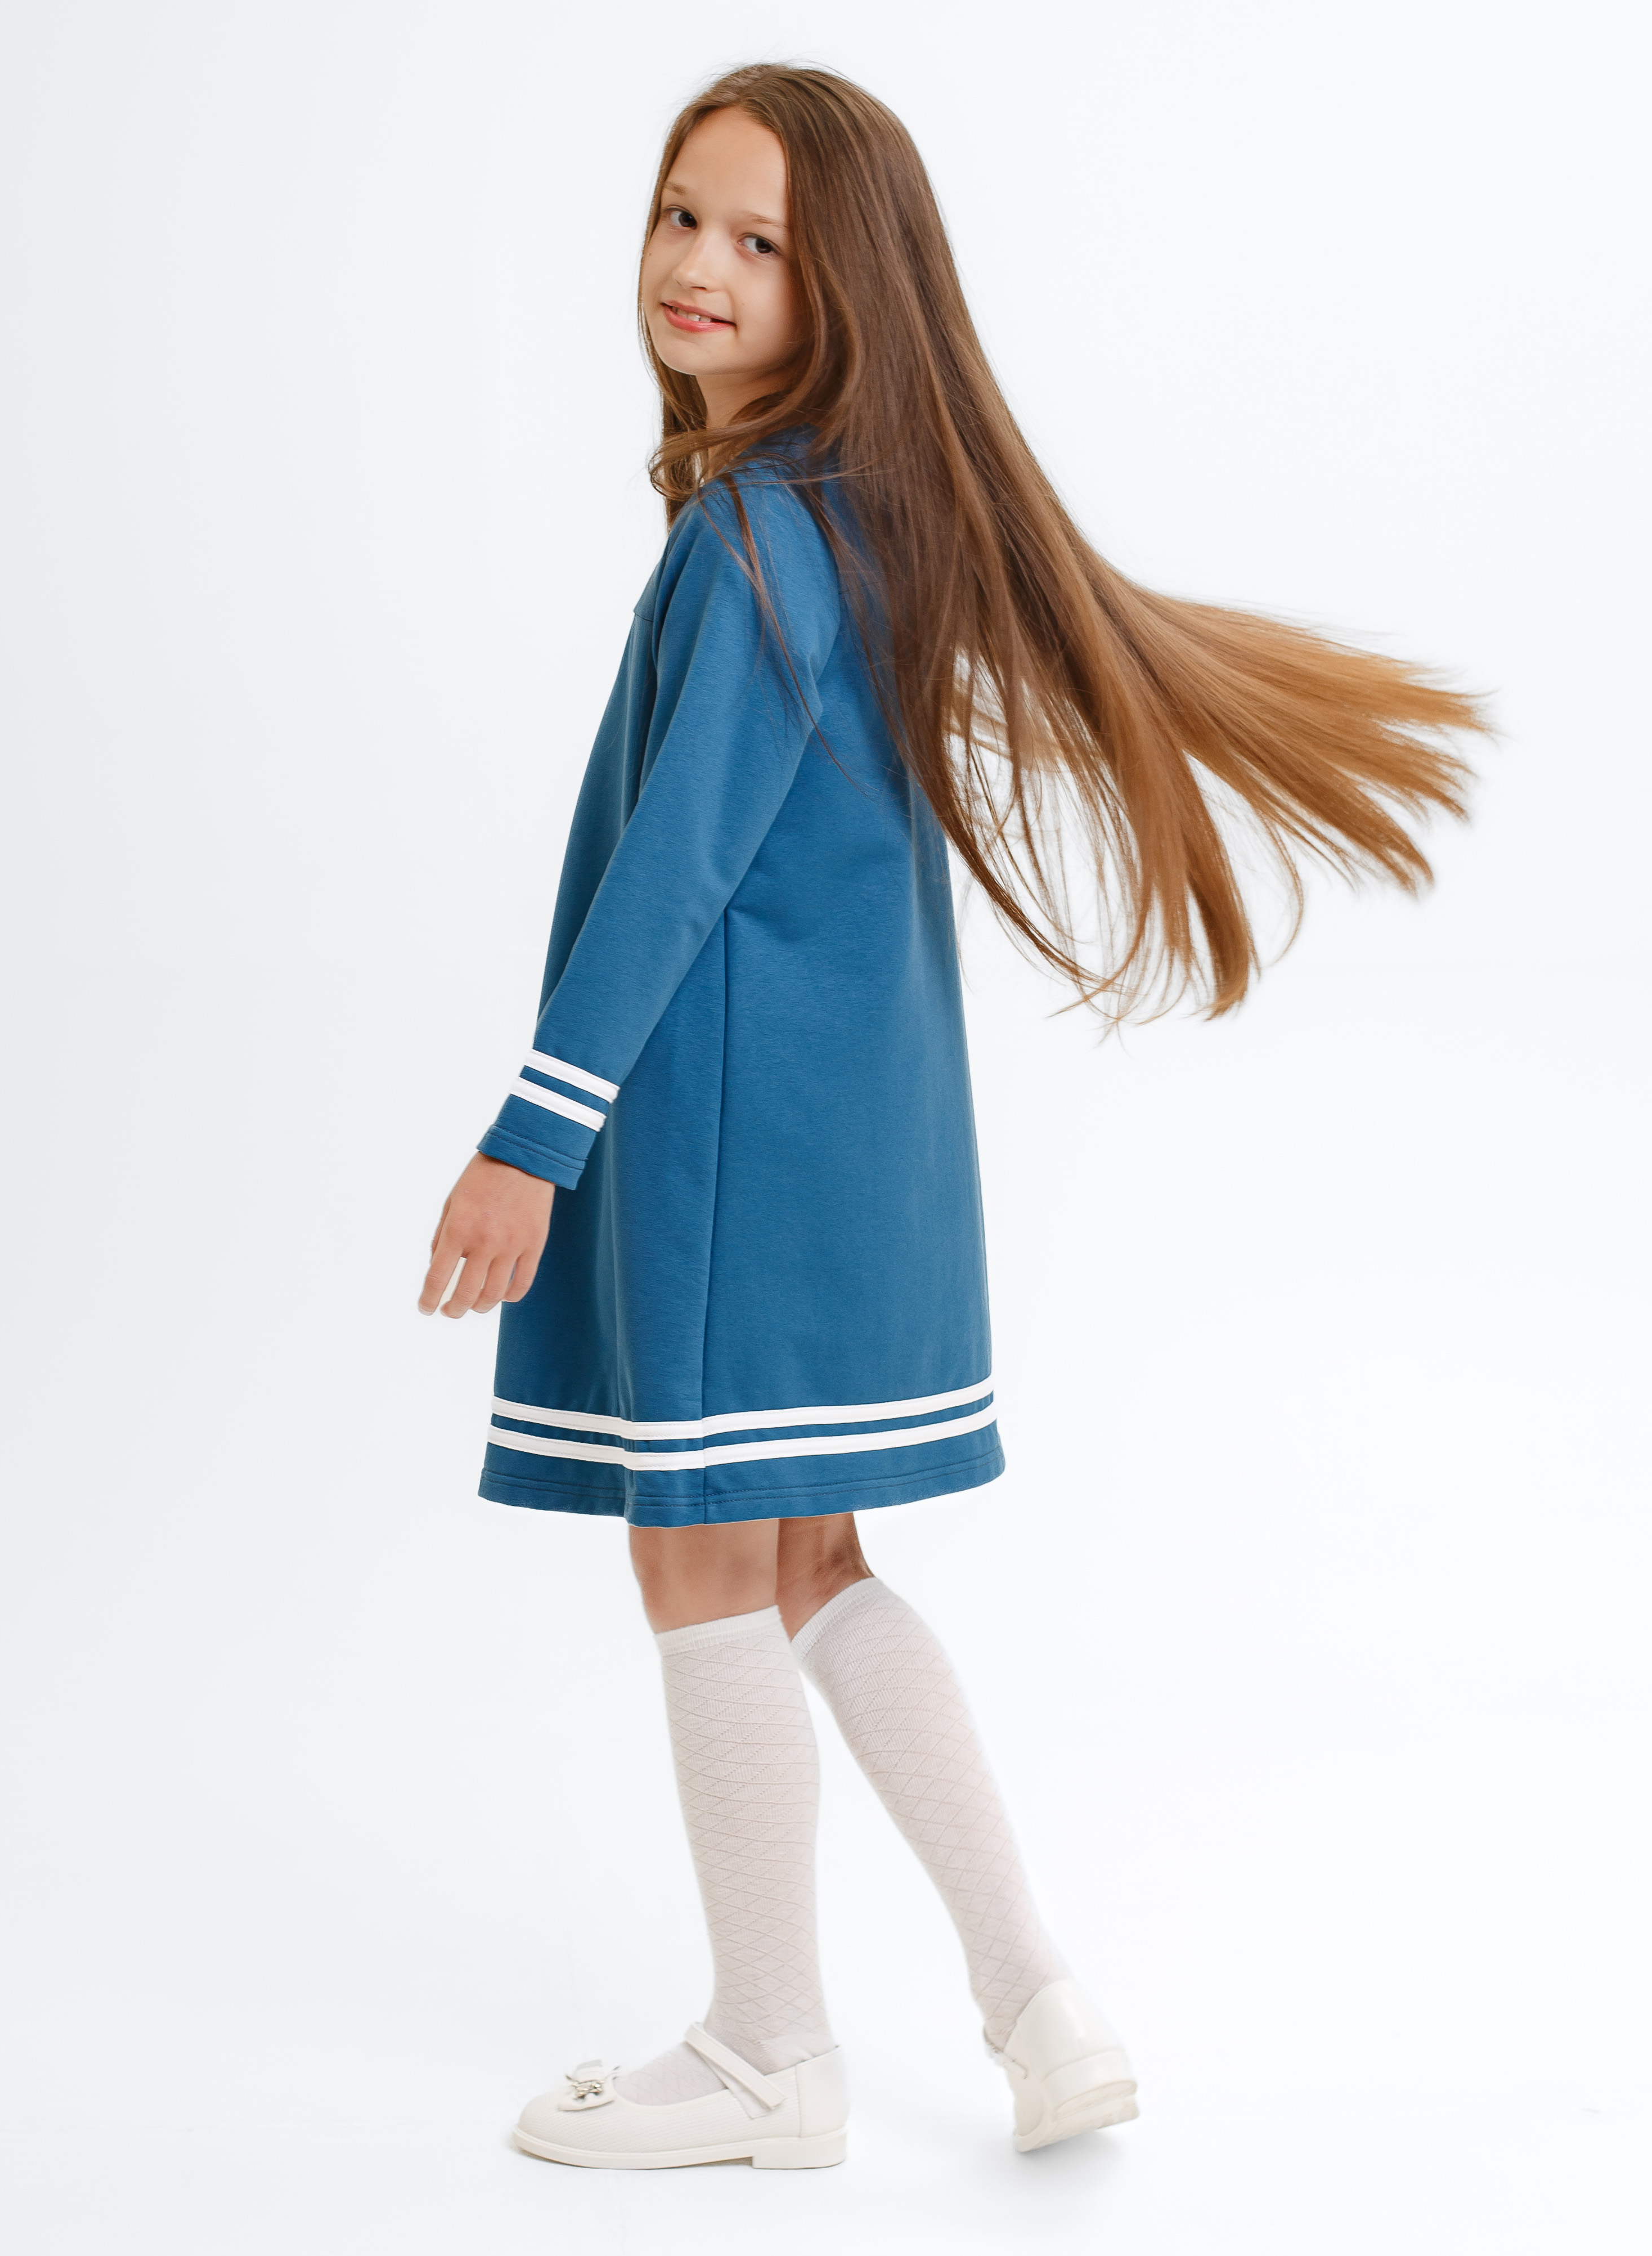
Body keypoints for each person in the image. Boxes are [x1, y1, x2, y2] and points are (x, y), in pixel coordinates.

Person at [418, 64, 1483, 2172]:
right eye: (682, 214)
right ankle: (1039, 2002)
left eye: (761, 241)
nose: (699, 267)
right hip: (854, 1137)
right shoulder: (845, 520)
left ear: (852, 291)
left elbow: (680, 863)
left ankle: (768, 2056)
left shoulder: (756, 535)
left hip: (725, 1134)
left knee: (697, 1550)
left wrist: (533, 1134)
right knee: (814, 1552)